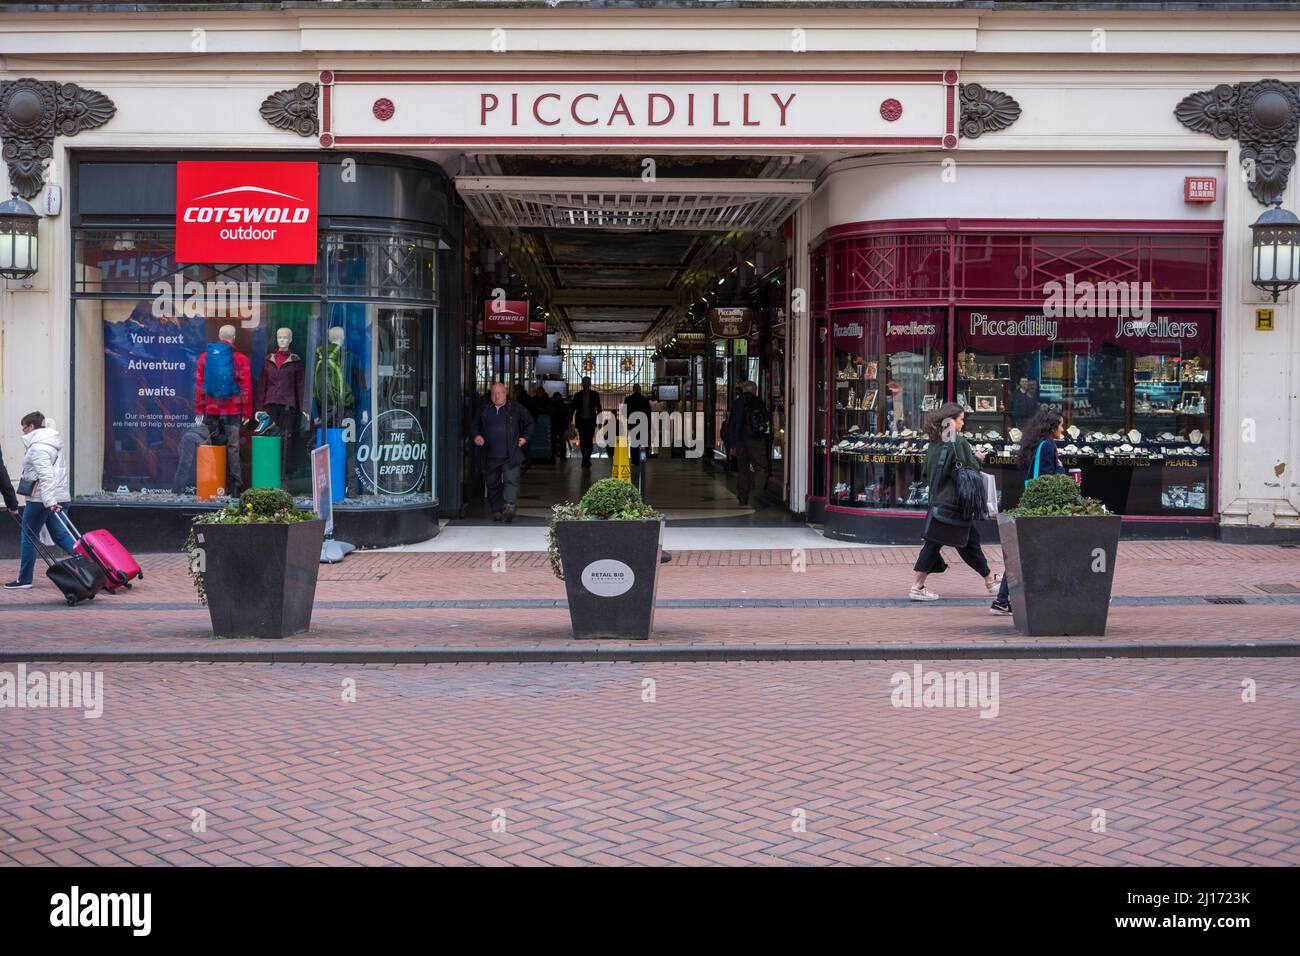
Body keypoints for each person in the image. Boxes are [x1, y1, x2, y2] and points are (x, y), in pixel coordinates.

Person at [910, 402, 1001, 602]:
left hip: (939, 501)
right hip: (953, 503)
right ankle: (917, 586)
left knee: (969, 541)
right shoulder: (957, 442)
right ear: (951, 421)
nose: (963, 423)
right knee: (936, 543)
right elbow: (969, 468)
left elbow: (926, 472)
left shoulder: (936, 441)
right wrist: (977, 458)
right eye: (961, 419)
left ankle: (989, 579)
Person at [990, 408, 1069, 615]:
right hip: (1041, 507)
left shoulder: (1035, 444)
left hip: (1032, 502)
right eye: (1060, 425)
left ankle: (1002, 600)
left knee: (1022, 553)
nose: (1063, 429)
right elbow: (1045, 479)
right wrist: (1061, 469)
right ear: (1052, 428)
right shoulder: (1049, 446)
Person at [5, 412, 78, 590]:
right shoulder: (54, 444)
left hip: (41, 499)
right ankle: (94, 566)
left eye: (24, 428)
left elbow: (46, 476)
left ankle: (24, 579)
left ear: (31, 427)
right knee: (61, 536)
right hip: (59, 495)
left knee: (29, 536)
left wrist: (50, 501)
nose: (23, 432)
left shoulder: (38, 447)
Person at [471, 382, 533, 522]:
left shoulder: (515, 408)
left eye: (499, 393)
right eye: (494, 393)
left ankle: (509, 506)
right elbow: (474, 425)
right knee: (492, 483)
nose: (496, 396)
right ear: (490, 395)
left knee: (511, 480)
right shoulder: (484, 408)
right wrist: (477, 436)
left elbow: (529, 422)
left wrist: (525, 438)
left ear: (505, 393)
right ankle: (496, 509)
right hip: (490, 454)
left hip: (510, 453)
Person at [726, 381, 770, 507]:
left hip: (740, 441)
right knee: (761, 467)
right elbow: (766, 417)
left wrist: (732, 445)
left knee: (743, 469)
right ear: (754, 390)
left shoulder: (737, 403)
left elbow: (732, 425)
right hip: (756, 440)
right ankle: (758, 493)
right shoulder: (758, 401)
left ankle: (742, 497)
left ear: (744, 390)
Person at [571, 376, 603, 469]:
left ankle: (586, 458)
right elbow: (573, 408)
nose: (585, 384)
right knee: (584, 440)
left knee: (587, 441)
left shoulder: (593, 394)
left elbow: (599, 408)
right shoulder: (578, 395)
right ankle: (586, 459)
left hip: (589, 421)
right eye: (584, 382)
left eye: (586, 382)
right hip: (584, 421)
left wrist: (600, 421)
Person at [623, 383, 653, 470]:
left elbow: (624, 413)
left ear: (633, 389)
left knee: (634, 443)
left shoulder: (628, 399)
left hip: (633, 425)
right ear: (640, 389)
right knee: (643, 443)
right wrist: (649, 426)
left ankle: (634, 461)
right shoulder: (644, 399)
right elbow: (648, 413)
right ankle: (643, 459)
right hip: (643, 424)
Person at [548, 390, 569, 461]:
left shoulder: (551, 405)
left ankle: (552, 456)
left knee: (553, 442)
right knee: (562, 442)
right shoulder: (563, 405)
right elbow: (566, 416)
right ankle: (562, 456)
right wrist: (566, 427)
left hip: (554, 425)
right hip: (562, 426)